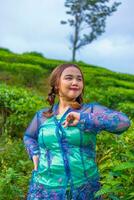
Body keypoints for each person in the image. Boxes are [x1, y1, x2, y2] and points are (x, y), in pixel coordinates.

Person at [23, 63, 131, 200]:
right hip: (44, 188)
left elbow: (123, 123)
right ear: (56, 84)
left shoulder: (90, 110)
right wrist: (35, 153)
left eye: (79, 79)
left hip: (82, 188)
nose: (75, 82)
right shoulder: (42, 116)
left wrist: (83, 118)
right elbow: (29, 136)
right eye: (69, 78)